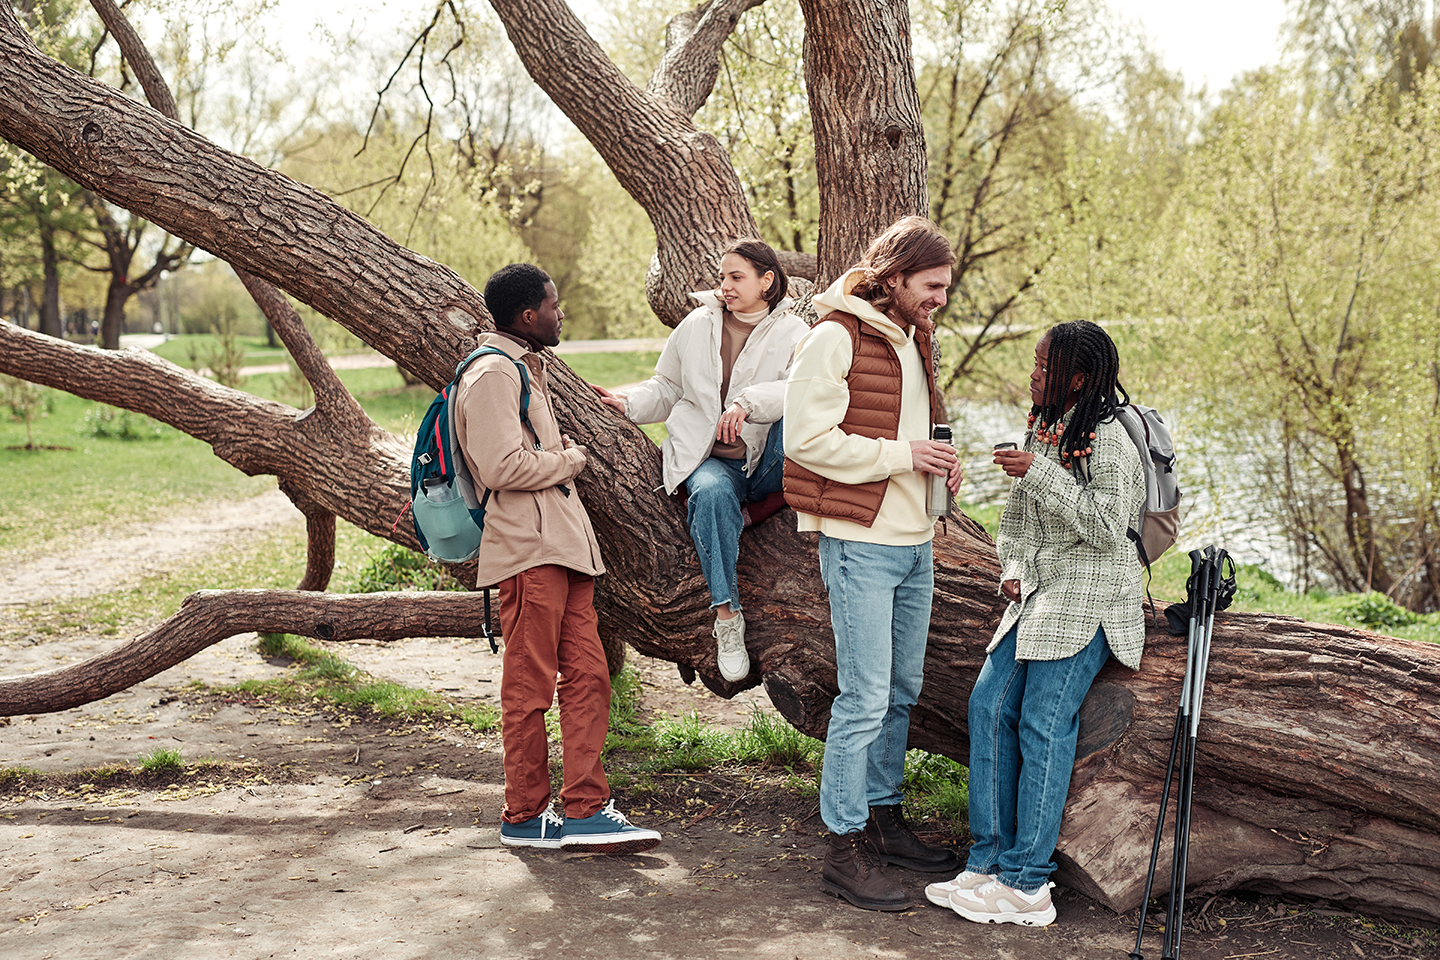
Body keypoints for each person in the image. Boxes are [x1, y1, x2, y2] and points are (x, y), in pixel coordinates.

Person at [935, 320, 1144, 926]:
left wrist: (1040, 471)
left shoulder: (1106, 440)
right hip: (1041, 591)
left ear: (1078, 379)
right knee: (986, 706)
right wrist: (1015, 566)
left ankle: (1029, 885)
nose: (1032, 374)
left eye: (1042, 366)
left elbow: (1108, 530)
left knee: (1041, 722)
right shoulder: (1047, 426)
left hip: (1093, 593)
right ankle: (988, 862)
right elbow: (1018, 524)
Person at [783, 216, 964, 912]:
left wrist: (936, 469)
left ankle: (884, 819)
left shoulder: (913, 339)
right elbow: (806, 440)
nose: (941, 298)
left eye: (945, 287)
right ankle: (844, 847)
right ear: (895, 277)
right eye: (932, 285)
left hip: (913, 540)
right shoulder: (833, 337)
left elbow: (903, 433)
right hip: (859, 544)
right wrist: (902, 457)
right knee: (863, 698)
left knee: (901, 691)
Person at [456, 263, 660, 855]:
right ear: (527, 315)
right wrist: (570, 460)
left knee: (591, 677)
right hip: (527, 551)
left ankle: (586, 810)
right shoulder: (493, 374)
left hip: (564, 550)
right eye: (553, 303)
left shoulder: (524, 368)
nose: (560, 312)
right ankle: (523, 816)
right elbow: (499, 468)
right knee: (529, 687)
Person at [593, 239, 808, 682]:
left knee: (804, 421)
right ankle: (727, 617)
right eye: (723, 277)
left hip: (766, 459)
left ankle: (759, 509)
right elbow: (667, 387)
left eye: (736, 277)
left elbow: (801, 389)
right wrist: (628, 403)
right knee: (709, 492)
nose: (725, 286)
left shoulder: (795, 333)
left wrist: (747, 403)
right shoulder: (696, 325)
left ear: (767, 281)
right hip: (712, 460)